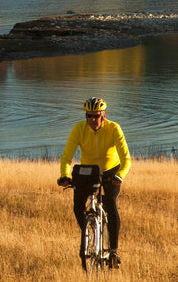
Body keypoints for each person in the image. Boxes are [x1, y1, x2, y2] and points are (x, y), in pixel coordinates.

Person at [57, 96, 132, 268]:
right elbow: (66, 157)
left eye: (96, 116)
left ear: (103, 115)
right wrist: (64, 175)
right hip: (88, 172)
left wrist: (119, 175)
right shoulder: (78, 129)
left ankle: (113, 251)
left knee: (110, 205)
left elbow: (126, 159)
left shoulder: (114, 129)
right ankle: (88, 231)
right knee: (77, 206)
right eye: (88, 116)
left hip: (110, 172)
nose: (92, 120)